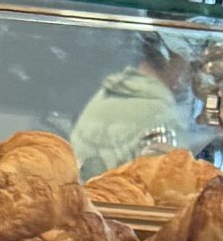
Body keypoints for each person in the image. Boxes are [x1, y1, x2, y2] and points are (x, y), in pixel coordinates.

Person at [70, 29, 196, 179]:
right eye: (186, 65)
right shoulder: (158, 110)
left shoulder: (111, 91)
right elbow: (173, 185)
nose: (187, 75)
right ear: (171, 60)